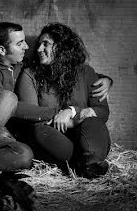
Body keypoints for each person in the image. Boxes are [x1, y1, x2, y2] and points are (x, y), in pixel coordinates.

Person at [0, 22, 111, 179]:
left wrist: (106, 80)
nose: (28, 47)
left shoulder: (21, 65)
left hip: (2, 135)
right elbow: (13, 108)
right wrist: (59, 112)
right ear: (2, 50)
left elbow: (71, 70)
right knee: (7, 97)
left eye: (25, 42)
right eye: (20, 44)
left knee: (25, 157)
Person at [14, 22, 112, 179]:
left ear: (62, 47)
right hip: (53, 139)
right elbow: (32, 116)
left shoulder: (86, 72)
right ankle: (82, 165)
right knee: (40, 131)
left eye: (46, 44)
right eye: (39, 44)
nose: (39, 49)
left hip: (88, 137)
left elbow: (102, 112)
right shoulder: (30, 75)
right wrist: (72, 120)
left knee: (93, 121)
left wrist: (72, 111)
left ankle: (91, 161)